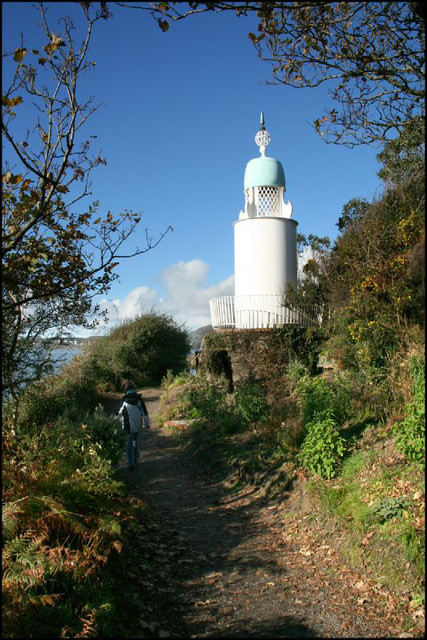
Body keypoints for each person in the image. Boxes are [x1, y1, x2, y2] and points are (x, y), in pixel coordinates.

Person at [118, 381, 150, 471]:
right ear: (134, 388)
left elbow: (119, 413)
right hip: (137, 424)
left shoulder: (124, 400)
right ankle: (135, 457)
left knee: (129, 442)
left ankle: (131, 463)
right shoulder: (139, 399)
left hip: (128, 425)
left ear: (126, 389)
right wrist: (147, 424)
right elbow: (145, 412)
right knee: (134, 439)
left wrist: (114, 421)